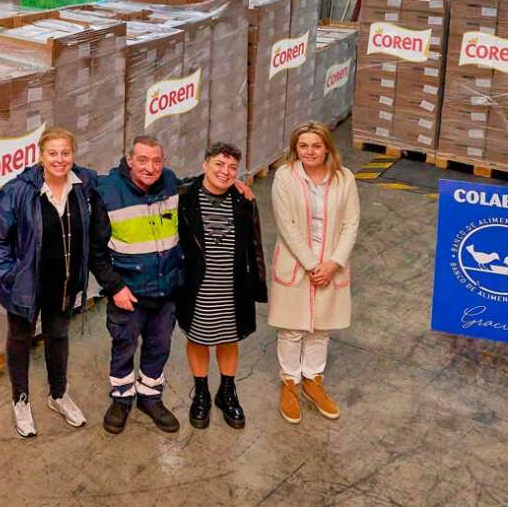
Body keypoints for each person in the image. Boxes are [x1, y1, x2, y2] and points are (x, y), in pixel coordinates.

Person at [90, 135, 254, 435]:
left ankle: (150, 398)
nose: (150, 167)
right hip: (128, 290)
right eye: (142, 160)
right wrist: (114, 288)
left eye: (156, 160)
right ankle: (122, 399)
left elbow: (201, 182)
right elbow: (96, 251)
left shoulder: (170, 183)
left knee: (159, 346)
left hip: (166, 289)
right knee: (124, 346)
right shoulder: (109, 192)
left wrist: (236, 182)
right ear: (129, 160)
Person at [0, 128, 97, 437]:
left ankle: (58, 395)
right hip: (27, 286)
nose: (60, 160)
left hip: (64, 283)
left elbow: (122, 179)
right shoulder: (19, 191)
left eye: (65, 153)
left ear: (73, 155)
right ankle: (20, 400)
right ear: (41, 156)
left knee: (58, 336)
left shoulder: (84, 184)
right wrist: (11, 274)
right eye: (53, 153)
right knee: (20, 339)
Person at [268, 121, 360, 425]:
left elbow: (351, 224)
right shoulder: (285, 176)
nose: (309, 151)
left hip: (332, 265)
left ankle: (312, 380)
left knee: (322, 328)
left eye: (316, 145)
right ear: (296, 148)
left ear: (327, 148)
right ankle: (290, 383)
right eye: (303, 145)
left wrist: (333, 263)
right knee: (291, 329)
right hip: (297, 264)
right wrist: (311, 265)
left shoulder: (344, 179)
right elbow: (286, 226)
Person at [176, 143, 267, 430]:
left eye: (231, 168)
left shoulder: (243, 200)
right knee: (198, 337)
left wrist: (257, 286)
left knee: (229, 337)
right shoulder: (184, 198)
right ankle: (201, 391)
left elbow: (255, 245)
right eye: (219, 164)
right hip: (197, 285)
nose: (224, 172)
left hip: (233, 284)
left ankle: (227, 391)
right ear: (205, 165)